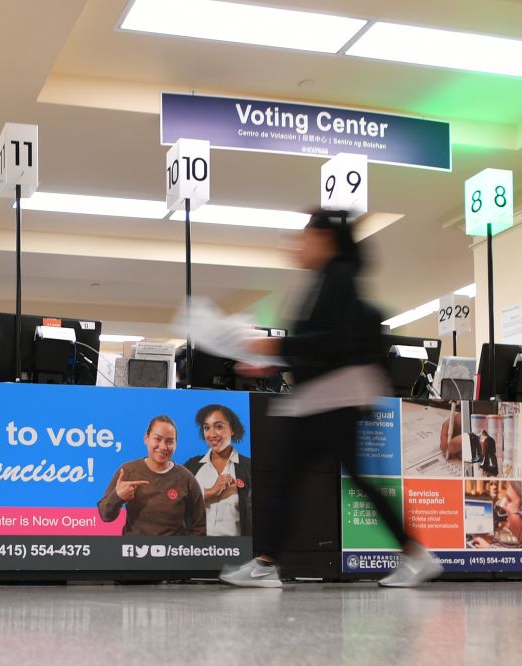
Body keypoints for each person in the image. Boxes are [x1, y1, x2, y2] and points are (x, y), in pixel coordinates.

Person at [221, 208, 440, 589]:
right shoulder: (330, 279)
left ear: (323, 239)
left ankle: (267, 563)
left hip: (333, 395)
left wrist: (276, 345)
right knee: (310, 476)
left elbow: (333, 342)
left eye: (304, 237)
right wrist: (274, 358)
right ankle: (268, 562)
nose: (297, 245)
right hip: (328, 395)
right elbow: (322, 343)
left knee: (296, 475)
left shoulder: (337, 278)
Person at [98, 415, 205, 536]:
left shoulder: (186, 478)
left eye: (169, 441)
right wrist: (118, 497)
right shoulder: (128, 471)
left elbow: (200, 526)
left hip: (173, 552)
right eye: (157, 439)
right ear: (146, 438)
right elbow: (105, 515)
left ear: (176, 444)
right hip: (134, 551)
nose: (163, 447)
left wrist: (187, 551)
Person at [183, 404, 252, 536]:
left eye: (218, 426)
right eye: (206, 428)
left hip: (236, 552)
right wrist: (209, 492)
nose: (212, 434)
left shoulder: (249, 468)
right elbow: (175, 503)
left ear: (232, 429)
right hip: (196, 551)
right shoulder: (191, 467)